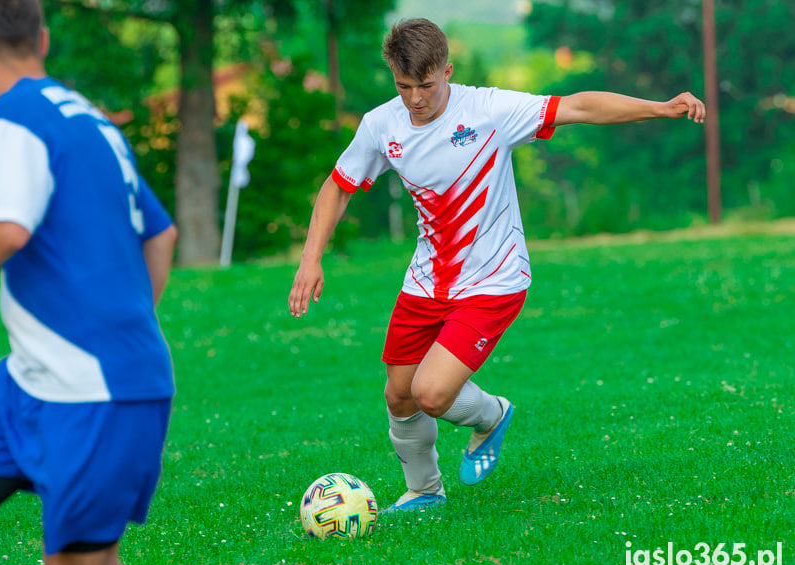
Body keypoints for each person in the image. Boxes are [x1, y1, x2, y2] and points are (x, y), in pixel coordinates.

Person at [288, 18, 705, 512]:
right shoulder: (382, 124)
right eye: (404, 87)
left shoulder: (488, 110)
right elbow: (339, 185)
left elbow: (578, 106)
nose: (416, 98)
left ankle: (491, 415)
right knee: (398, 396)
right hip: (426, 282)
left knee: (431, 394)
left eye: (426, 85)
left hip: (493, 281)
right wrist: (310, 258)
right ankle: (424, 492)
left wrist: (659, 108)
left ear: (447, 70)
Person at [0, 1, 178, 565]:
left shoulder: (10, 116)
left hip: (93, 391)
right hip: (27, 380)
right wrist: (132, 322)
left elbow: (5, 231)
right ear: (41, 40)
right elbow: (161, 235)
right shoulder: (88, 118)